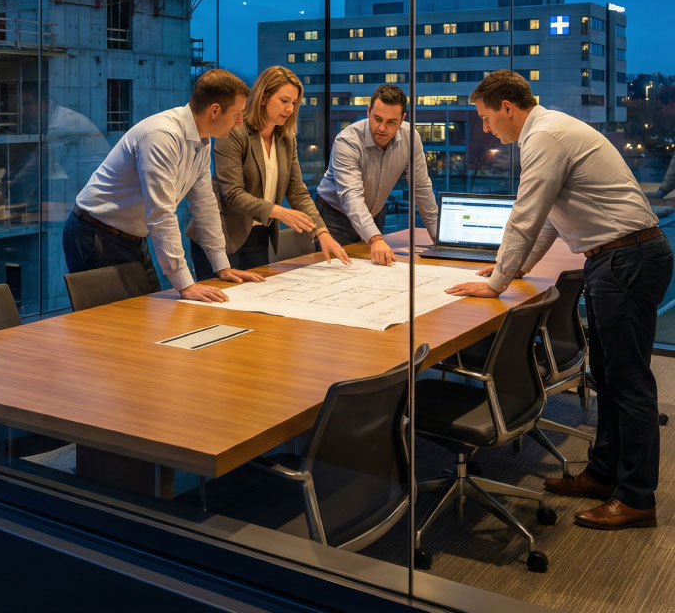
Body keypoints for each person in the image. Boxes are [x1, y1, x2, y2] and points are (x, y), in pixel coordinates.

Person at [446, 69, 673, 531]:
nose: (485, 128)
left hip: (625, 259)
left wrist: (497, 284)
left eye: (486, 118)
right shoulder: (551, 131)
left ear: (507, 108)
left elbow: (525, 214)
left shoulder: (544, 136)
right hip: (619, 258)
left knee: (629, 383)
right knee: (608, 376)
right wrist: (517, 269)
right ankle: (603, 475)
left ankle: (636, 498)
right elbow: (550, 217)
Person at [62, 69, 264, 302]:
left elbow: (205, 204)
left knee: (148, 313)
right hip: (95, 233)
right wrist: (186, 284)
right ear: (215, 110)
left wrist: (222, 266)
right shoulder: (161, 136)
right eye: (237, 114)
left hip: (133, 237)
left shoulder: (202, 139)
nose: (240, 123)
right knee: (113, 320)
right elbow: (162, 214)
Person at [186, 66, 350, 278]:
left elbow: (297, 192)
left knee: (256, 295)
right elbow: (232, 194)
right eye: (284, 101)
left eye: (294, 103)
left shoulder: (286, 138)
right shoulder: (234, 132)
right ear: (263, 97)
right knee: (224, 297)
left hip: (259, 235)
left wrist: (321, 231)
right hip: (221, 235)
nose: (289, 109)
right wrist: (278, 211)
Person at [315, 84, 438, 265]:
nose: (382, 128)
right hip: (335, 217)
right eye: (377, 119)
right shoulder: (347, 141)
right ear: (368, 111)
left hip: (373, 214)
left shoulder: (411, 138)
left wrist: (440, 240)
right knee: (338, 272)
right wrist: (375, 238)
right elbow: (351, 196)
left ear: (402, 119)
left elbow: (421, 189)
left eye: (391, 122)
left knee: (374, 270)